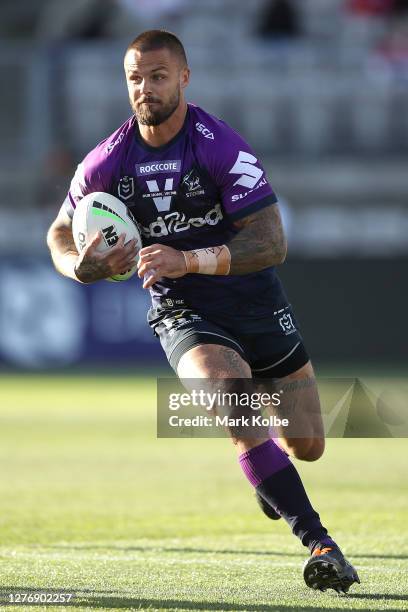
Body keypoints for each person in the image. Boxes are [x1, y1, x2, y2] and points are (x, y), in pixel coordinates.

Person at [47, 30, 360, 594]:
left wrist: (185, 258)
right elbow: (59, 233)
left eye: (158, 76)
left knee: (308, 445)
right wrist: (80, 268)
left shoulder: (220, 145)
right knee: (234, 410)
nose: (145, 89)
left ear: (184, 78)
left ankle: (272, 475)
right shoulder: (105, 163)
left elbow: (271, 243)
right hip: (182, 311)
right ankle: (320, 542)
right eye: (135, 78)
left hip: (255, 302)